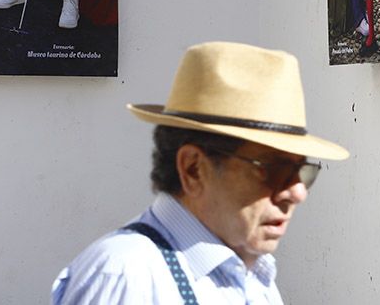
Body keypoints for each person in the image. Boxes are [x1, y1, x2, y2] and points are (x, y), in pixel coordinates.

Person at [52, 41, 349, 304]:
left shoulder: (255, 275)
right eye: (273, 169)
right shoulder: (127, 277)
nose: (296, 192)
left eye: (301, 171)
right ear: (193, 169)